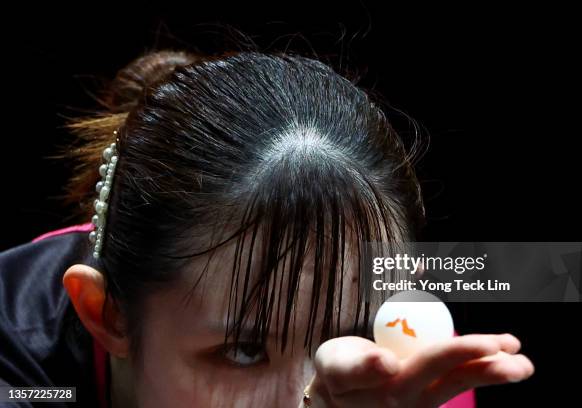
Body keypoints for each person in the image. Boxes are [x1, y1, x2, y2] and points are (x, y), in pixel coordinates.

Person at [0, 50, 534, 407]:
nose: (303, 397)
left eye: (342, 332)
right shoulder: (14, 363)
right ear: (106, 313)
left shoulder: (404, 368)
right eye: (243, 350)